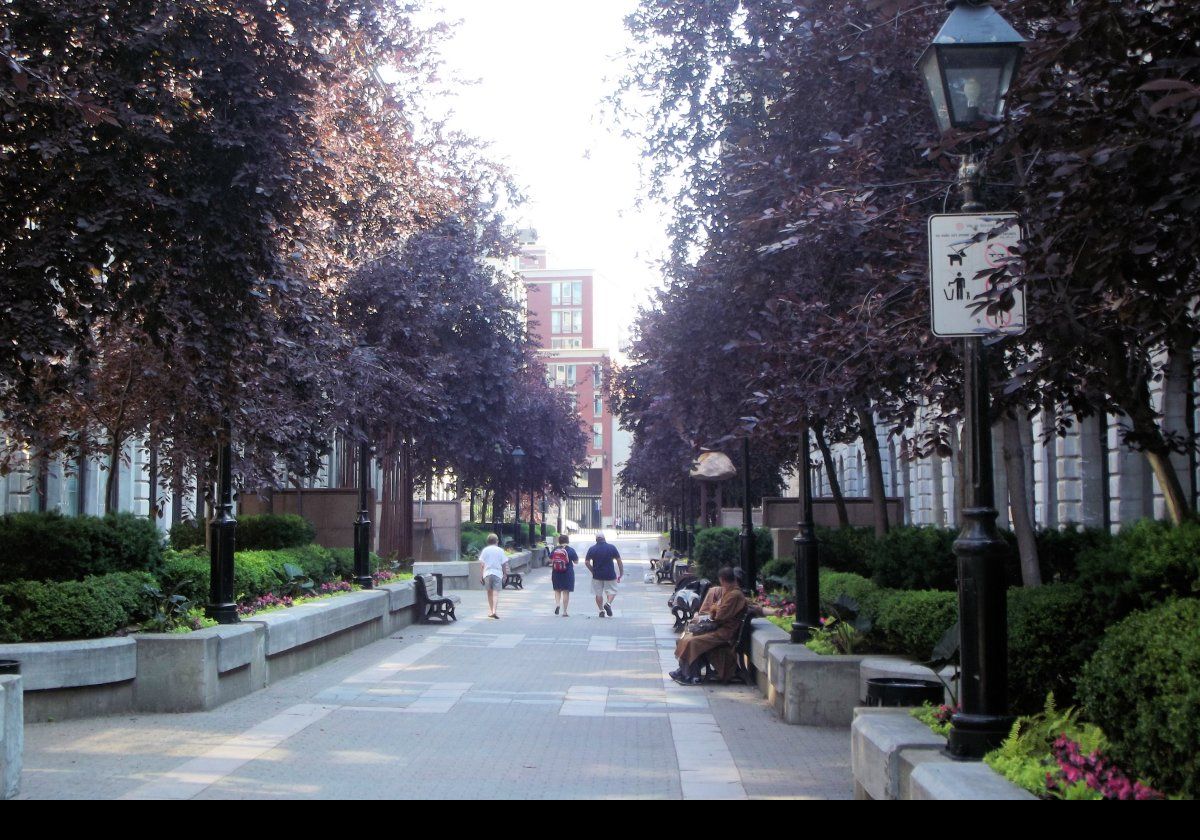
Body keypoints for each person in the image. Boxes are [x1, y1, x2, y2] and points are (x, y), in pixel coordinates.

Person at [670, 567, 748, 685]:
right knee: (686, 637)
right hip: (720, 629)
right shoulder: (730, 592)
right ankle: (685, 671)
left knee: (693, 641)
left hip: (724, 633)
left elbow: (720, 615)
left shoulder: (734, 595)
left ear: (722, 580)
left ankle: (691, 675)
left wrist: (714, 609)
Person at [585, 532, 623, 618]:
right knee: (612, 591)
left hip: (597, 575)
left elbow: (587, 562)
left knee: (598, 594)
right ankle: (608, 604)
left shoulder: (592, 549)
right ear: (604, 538)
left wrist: (592, 570)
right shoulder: (611, 547)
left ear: (596, 539)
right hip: (610, 574)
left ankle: (601, 610)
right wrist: (621, 573)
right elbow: (619, 561)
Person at [478, 533, 508, 619]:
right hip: (497, 573)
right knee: (495, 594)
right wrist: (505, 574)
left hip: (487, 573)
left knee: (489, 593)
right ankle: (494, 611)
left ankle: (491, 611)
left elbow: (482, 565)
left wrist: (481, 576)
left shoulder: (485, 550)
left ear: (488, 541)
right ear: (497, 541)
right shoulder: (500, 550)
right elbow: (504, 563)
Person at [550, 534, 579, 617]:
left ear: (559, 541)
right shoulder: (571, 550)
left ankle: (557, 604)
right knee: (566, 592)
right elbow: (576, 562)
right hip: (567, 572)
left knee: (557, 590)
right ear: (568, 541)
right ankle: (565, 612)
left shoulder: (555, 549)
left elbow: (550, 559)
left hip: (556, 572)